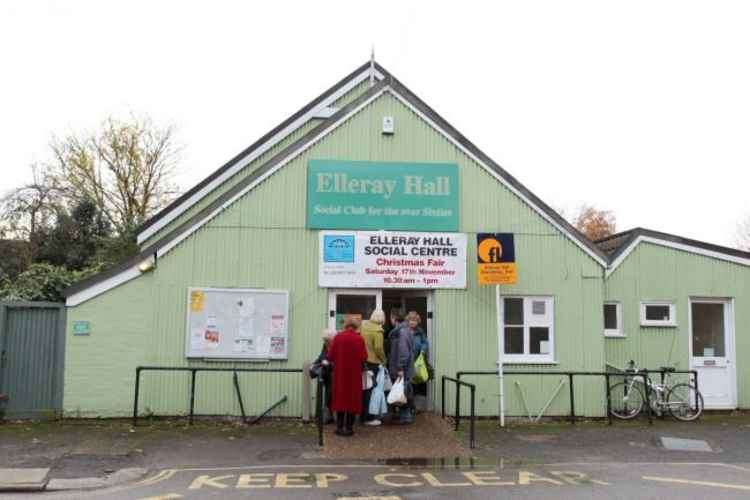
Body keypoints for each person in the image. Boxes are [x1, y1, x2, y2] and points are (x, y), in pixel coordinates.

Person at [327, 316, 368, 436]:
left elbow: (330, 356)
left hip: (340, 374)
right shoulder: (359, 339)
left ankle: (339, 427)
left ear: (345, 325)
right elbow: (364, 357)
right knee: (352, 399)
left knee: (340, 398)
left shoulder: (338, 337)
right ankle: (349, 428)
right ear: (356, 326)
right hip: (354, 375)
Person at [388, 311, 416, 424]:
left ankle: (406, 416)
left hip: (402, 368)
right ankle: (405, 415)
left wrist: (400, 368)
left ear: (394, 318)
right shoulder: (405, 330)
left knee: (403, 391)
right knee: (404, 390)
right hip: (405, 367)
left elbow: (403, 352)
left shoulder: (402, 332)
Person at [360, 309, 387, 426]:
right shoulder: (378, 331)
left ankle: (361, 415)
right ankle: (369, 418)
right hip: (373, 363)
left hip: (363, 362)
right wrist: (384, 360)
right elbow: (378, 349)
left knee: (364, 390)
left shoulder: (363, 327)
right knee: (372, 392)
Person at [310, 329, 336, 424]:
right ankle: (328, 416)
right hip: (327, 374)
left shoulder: (337, 345)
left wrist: (329, 363)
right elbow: (322, 356)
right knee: (327, 395)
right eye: (325, 340)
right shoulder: (326, 345)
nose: (326, 342)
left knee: (331, 395)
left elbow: (339, 360)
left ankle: (330, 416)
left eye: (328, 340)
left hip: (334, 374)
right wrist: (315, 363)